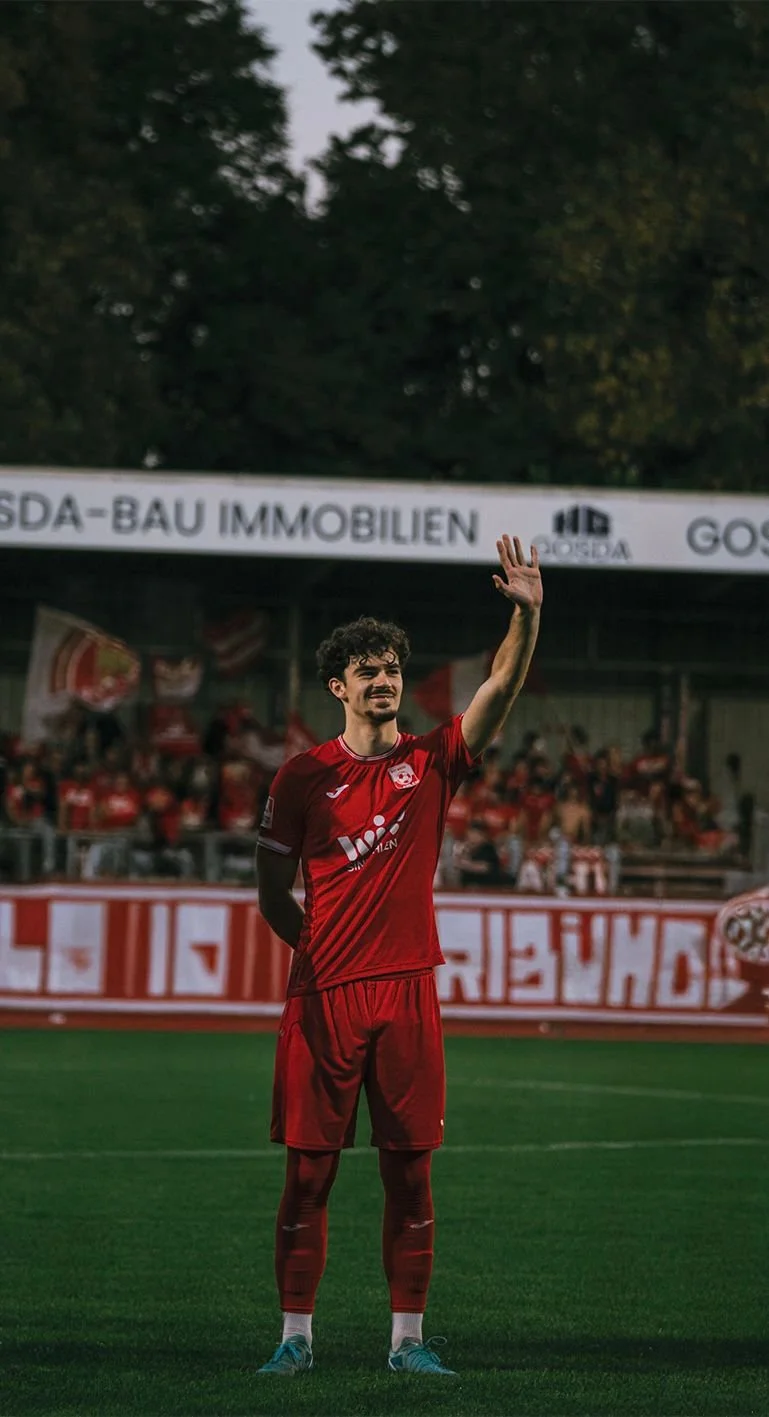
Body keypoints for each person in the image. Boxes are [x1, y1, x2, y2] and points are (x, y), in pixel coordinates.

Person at [255, 534, 542, 1378]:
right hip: (323, 998)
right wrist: (318, 951)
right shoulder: (300, 778)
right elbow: (272, 894)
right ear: (337, 687)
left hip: (409, 994)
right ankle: (295, 1337)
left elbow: (499, 687)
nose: (382, 681)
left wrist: (526, 616)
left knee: (410, 1178)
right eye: (366, 671)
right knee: (307, 1177)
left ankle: (406, 1341)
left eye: (390, 669)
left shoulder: (431, 759)